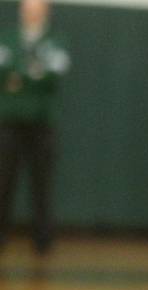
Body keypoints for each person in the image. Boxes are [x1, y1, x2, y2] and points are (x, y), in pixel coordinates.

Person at [0, 0, 69, 254]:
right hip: (9, 121)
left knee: (42, 183)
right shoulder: (6, 37)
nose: (32, 13)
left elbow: (53, 74)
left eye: (37, 8)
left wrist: (18, 76)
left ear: (46, 12)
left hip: (42, 122)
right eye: (28, 8)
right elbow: (3, 70)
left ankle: (43, 240)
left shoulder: (57, 40)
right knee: (4, 180)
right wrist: (31, 71)